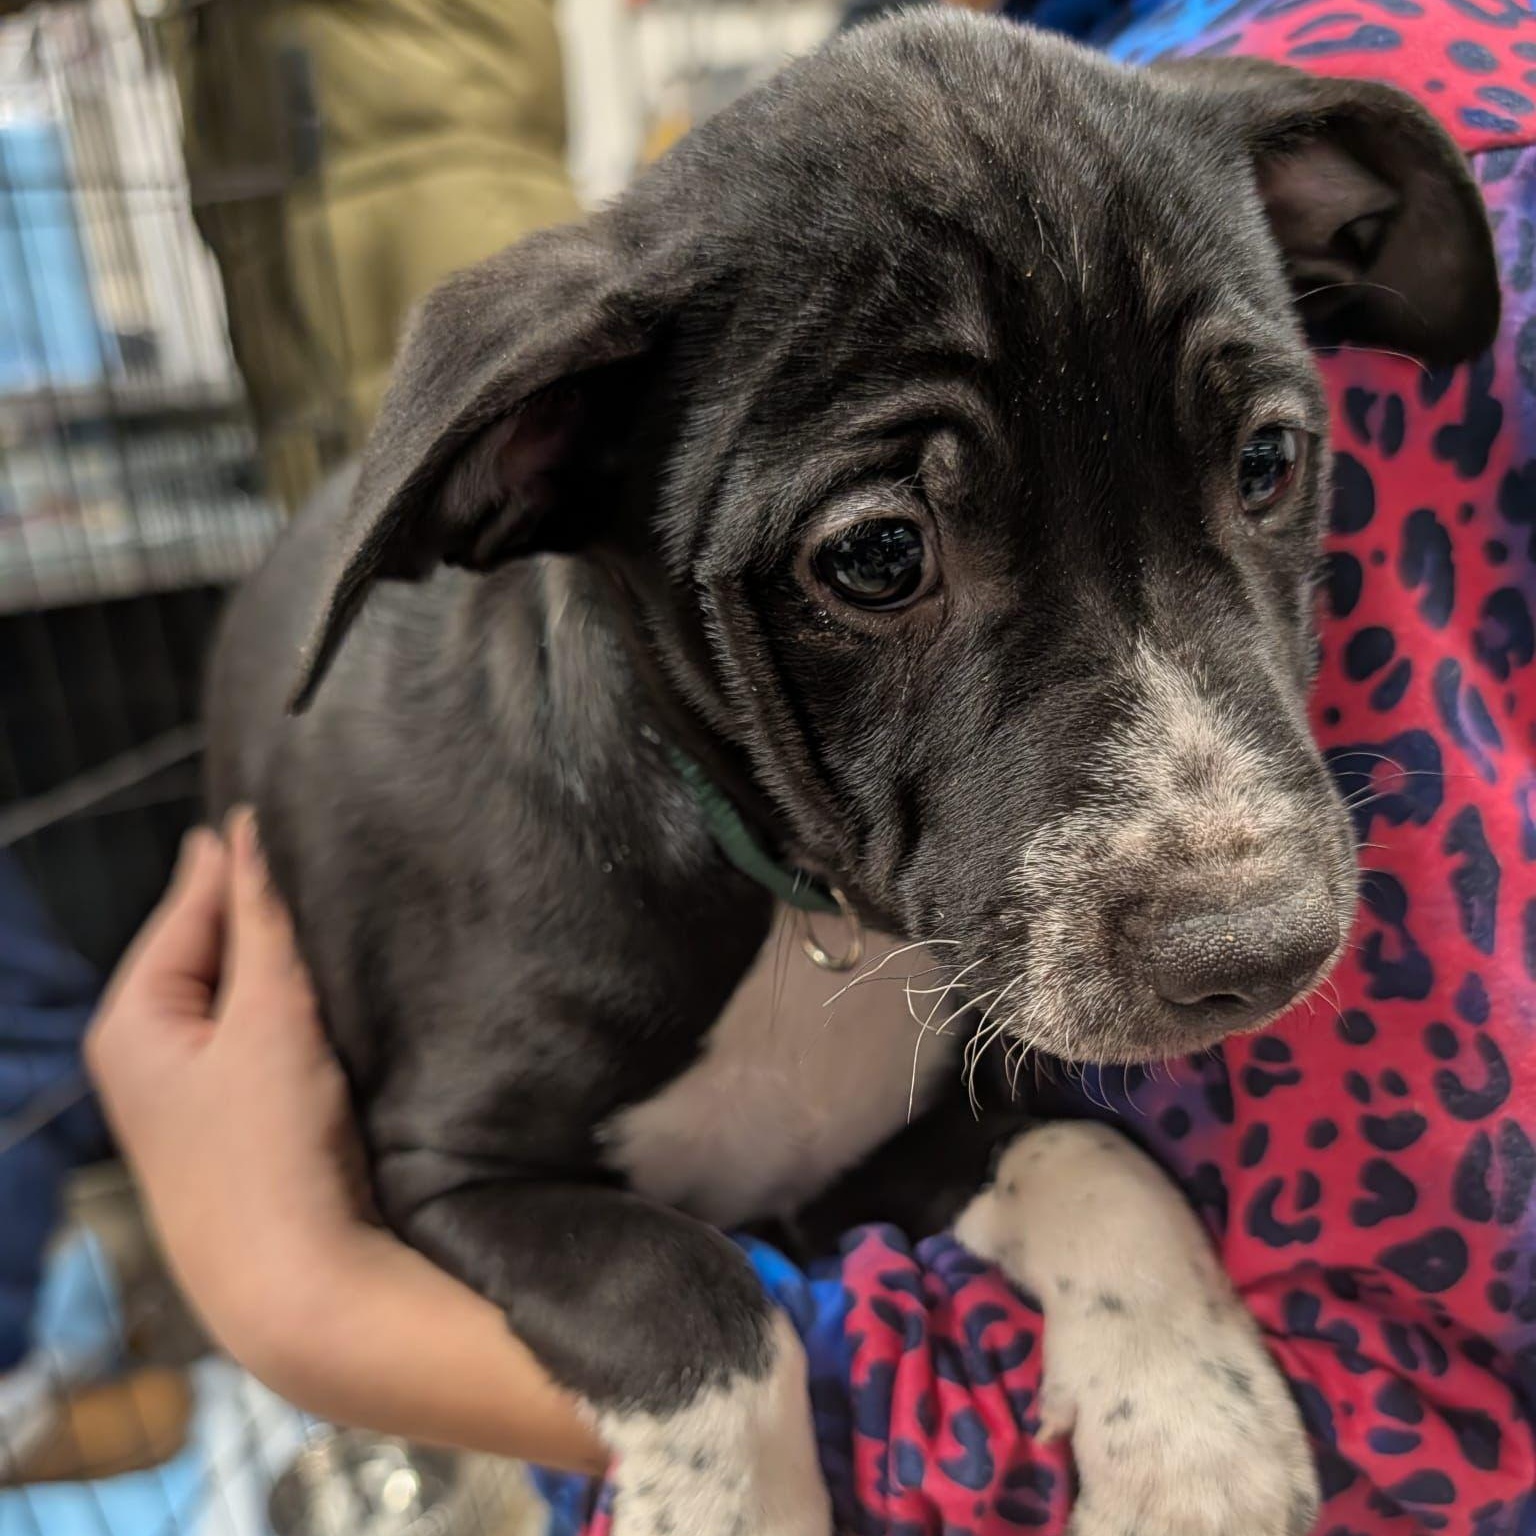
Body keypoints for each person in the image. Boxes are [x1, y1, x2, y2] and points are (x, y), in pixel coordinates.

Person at [91, 0, 1536, 1528]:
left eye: (1260, 464)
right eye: (884, 555)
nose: (1234, 871)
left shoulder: (1366, 143)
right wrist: (717, 1382)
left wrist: (302, 1306)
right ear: (535, 456)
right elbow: (461, 1176)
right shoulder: (513, 887)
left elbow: (869, 1140)